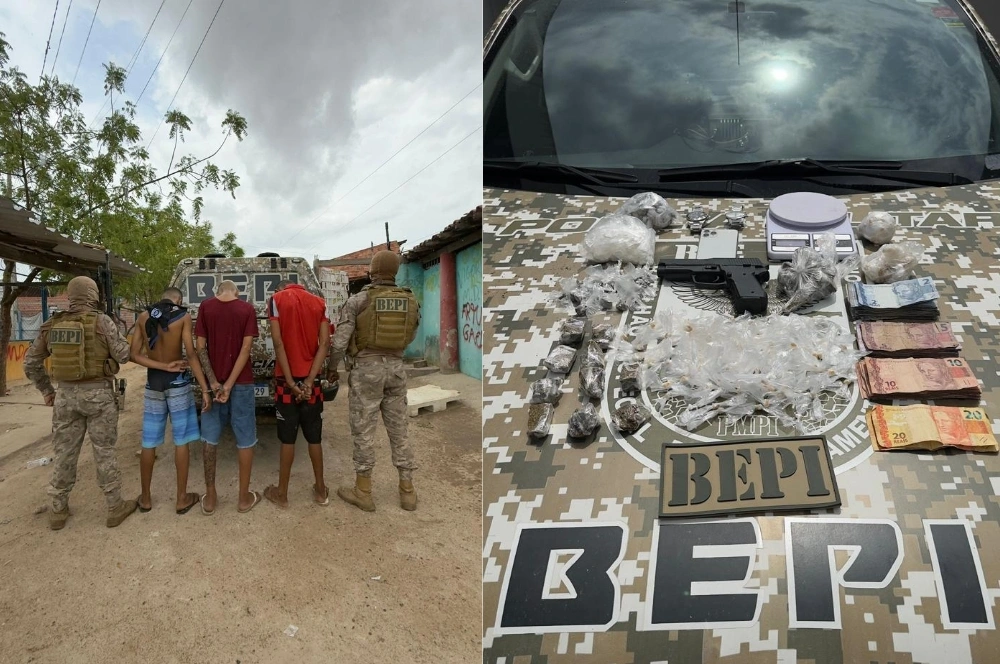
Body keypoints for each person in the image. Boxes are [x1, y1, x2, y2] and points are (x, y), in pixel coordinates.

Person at [23, 276, 137, 529]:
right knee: (104, 451)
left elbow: (30, 363)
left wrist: (47, 391)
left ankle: (58, 510)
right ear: (93, 295)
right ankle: (114, 507)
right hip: (99, 397)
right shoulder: (102, 321)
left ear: (70, 295)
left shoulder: (52, 324)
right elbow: (123, 355)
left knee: (64, 452)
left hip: (65, 398)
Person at [328, 250, 420, 512]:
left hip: (367, 370)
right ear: (395, 272)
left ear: (372, 271)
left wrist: (332, 369)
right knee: (399, 430)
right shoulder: (410, 300)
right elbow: (411, 334)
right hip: (396, 369)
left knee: (364, 431)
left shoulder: (359, 300)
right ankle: (407, 491)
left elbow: (340, 342)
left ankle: (363, 491)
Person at [130, 287, 211, 514]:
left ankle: (146, 499)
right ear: (179, 299)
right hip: (178, 384)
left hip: (153, 384)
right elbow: (191, 354)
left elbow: (133, 355)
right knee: (181, 440)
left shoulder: (143, 317)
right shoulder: (183, 316)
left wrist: (162, 366)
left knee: (149, 442)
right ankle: (181, 499)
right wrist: (205, 389)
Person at [194, 280, 261, 514]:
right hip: (241, 383)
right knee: (245, 438)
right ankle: (243, 498)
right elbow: (246, 349)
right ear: (237, 292)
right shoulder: (247, 309)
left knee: (209, 438)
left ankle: (211, 498)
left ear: (218, 291)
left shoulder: (205, 307)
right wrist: (230, 385)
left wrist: (213, 382)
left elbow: (199, 347)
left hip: (214, 384)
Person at [263, 280, 332, 508]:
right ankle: (321, 490)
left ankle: (282, 494)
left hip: (286, 382)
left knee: (287, 438)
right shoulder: (320, 303)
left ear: (280, 289)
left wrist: (291, 382)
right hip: (312, 383)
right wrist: (309, 381)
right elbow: (325, 344)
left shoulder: (276, 300)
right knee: (314, 436)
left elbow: (278, 342)